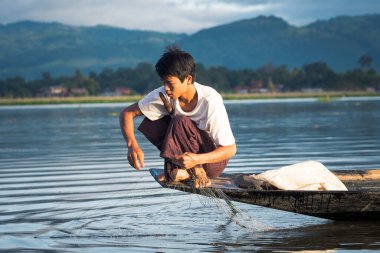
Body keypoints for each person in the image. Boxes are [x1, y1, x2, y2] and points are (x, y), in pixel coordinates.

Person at [119, 45, 236, 188]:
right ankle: (182, 171)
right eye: (164, 82)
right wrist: (132, 145)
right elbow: (127, 113)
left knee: (179, 121)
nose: (166, 88)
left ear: (188, 79)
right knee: (153, 122)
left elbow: (230, 149)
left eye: (170, 83)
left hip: (211, 164)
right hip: (187, 159)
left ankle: (190, 171)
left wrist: (196, 159)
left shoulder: (210, 100)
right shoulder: (163, 95)